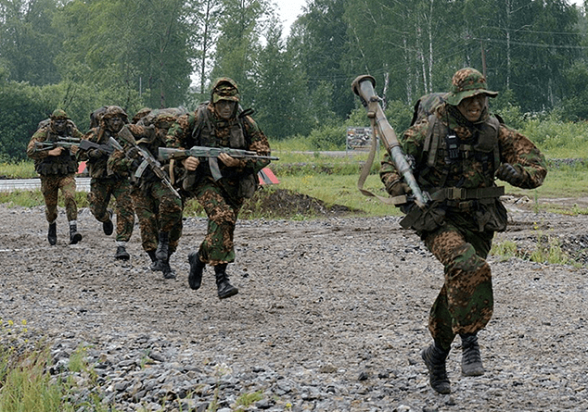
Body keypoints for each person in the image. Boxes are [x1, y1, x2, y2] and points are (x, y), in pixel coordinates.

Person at [380, 68, 547, 394]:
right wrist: (401, 183)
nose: (476, 105)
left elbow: (536, 166)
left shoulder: (494, 130)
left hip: (480, 220)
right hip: (439, 217)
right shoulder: (430, 127)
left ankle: (437, 354)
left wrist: (516, 174)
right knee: (468, 267)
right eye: (469, 99)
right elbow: (391, 161)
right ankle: (470, 341)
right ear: (457, 100)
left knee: (460, 284)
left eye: (481, 98)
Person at [166, 77, 272, 299]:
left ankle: (199, 258)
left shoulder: (245, 123)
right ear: (213, 102)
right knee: (222, 218)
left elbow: (264, 154)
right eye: (222, 102)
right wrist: (185, 159)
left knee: (224, 229)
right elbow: (170, 141)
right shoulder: (197, 118)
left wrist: (240, 163)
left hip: (234, 184)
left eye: (231, 103)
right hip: (206, 181)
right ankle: (221, 280)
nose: (226, 107)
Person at [107, 108, 184, 279]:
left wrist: (166, 168)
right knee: (147, 221)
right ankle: (157, 260)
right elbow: (114, 163)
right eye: (163, 131)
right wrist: (132, 162)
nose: (166, 135)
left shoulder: (175, 141)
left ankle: (166, 254)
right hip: (140, 186)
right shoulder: (141, 138)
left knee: (173, 216)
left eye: (169, 131)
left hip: (162, 183)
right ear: (156, 129)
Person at [78, 105, 135, 260]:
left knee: (126, 208)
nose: (116, 122)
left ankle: (121, 245)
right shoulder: (96, 134)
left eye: (119, 119)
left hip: (120, 178)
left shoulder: (128, 134)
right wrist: (94, 153)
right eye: (113, 119)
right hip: (101, 178)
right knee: (96, 209)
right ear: (106, 120)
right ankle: (105, 217)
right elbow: (79, 152)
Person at [26, 109, 84, 245]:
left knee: (70, 197)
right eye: (57, 121)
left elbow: (86, 143)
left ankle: (73, 230)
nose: (60, 124)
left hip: (66, 174)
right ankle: (52, 226)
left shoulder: (71, 131)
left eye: (62, 121)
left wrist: (78, 150)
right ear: (51, 121)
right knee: (51, 208)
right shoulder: (43, 133)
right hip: (48, 176)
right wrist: (50, 152)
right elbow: (30, 151)